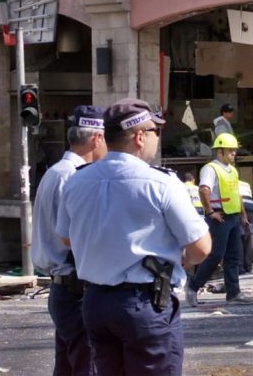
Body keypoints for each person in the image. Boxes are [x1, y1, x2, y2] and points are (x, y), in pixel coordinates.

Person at [58, 98, 211, 374]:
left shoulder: (77, 181)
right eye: (156, 132)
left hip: (95, 302)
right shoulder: (161, 183)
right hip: (144, 304)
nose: (156, 139)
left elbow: (65, 238)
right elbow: (201, 246)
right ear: (140, 136)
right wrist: (184, 259)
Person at [32, 105, 107, 376]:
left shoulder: (56, 172)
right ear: (97, 138)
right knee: (86, 366)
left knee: (68, 366)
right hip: (75, 287)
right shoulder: (75, 176)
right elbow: (74, 238)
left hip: (65, 288)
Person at [185, 132, 253, 306]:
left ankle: (233, 292)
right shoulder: (211, 168)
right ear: (219, 152)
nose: (233, 154)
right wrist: (209, 212)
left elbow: (236, 193)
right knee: (215, 255)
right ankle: (193, 287)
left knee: (233, 256)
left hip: (232, 217)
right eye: (230, 151)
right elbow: (203, 190)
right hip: (219, 217)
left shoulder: (232, 171)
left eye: (234, 151)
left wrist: (243, 215)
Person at [238, 180, 253, 275]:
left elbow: (238, 198)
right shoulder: (246, 184)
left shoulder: (231, 182)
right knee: (247, 238)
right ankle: (248, 267)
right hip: (251, 207)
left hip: (241, 206)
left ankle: (240, 268)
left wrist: (242, 215)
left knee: (238, 239)